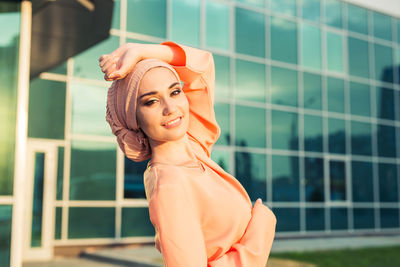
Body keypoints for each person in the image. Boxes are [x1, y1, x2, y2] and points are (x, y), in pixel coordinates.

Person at [99, 41, 277, 266]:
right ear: (133, 119)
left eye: (175, 91)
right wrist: (260, 233)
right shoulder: (169, 186)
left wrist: (141, 51)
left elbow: (201, 68)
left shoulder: (194, 146)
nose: (171, 108)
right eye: (151, 101)